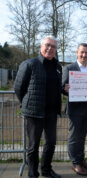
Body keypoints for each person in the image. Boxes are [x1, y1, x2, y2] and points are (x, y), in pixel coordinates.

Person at [14, 36, 62, 178]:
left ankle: (46, 170)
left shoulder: (57, 67)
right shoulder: (29, 64)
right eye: (47, 45)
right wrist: (27, 102)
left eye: (53, 46)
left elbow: (57, 87)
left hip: (52, 112)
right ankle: (33, 173)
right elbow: (18, 87)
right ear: (41, 46)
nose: (50, 48)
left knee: (51, 143)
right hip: (34, 112)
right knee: (33, 146)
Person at [62, 43, 87, 176]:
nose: (84, 55)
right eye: (82, 52)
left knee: (82, 136)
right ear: (77, 52)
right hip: (75, 109)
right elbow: (62, 87)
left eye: (86, 53)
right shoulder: (69, 68)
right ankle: (75, 162)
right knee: (74, 137)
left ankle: (81, 160)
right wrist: (66, 89)